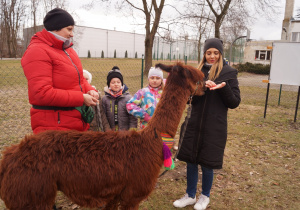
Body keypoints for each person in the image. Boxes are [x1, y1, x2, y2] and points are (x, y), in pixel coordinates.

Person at [173, 38, 241, 210]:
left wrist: (223, 87)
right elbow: (188, 99)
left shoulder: (229, 73)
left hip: (214, 125)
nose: (212, 56)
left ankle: (205, 196)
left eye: (215, 53)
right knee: (191, 160)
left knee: (208, 162)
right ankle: (189, 195)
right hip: (194, 123)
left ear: (220, 54)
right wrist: (197, 89)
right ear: (204, 54)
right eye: (209, 53)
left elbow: (234, 102)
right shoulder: (196, 72)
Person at [21, 8, 99, 134]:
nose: (72, 34)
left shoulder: (68, 50)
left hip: (73, 122)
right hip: (54, 126)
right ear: (56, 27)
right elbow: (42, 93)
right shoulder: (37, 51)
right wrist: (81, 98)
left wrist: (90, 89)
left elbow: (79, 79)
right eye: (69, 29)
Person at [102, 66, 137, 131]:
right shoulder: (105, 99)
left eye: (118, 82)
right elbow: (103, 117)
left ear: (122, 83)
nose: (116, 84)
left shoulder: (128, 98)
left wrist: (132, 130)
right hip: (110, 132)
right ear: (109, 84)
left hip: (125, 132)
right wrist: (106, 130)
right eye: (113, 82)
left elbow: (132, 117)